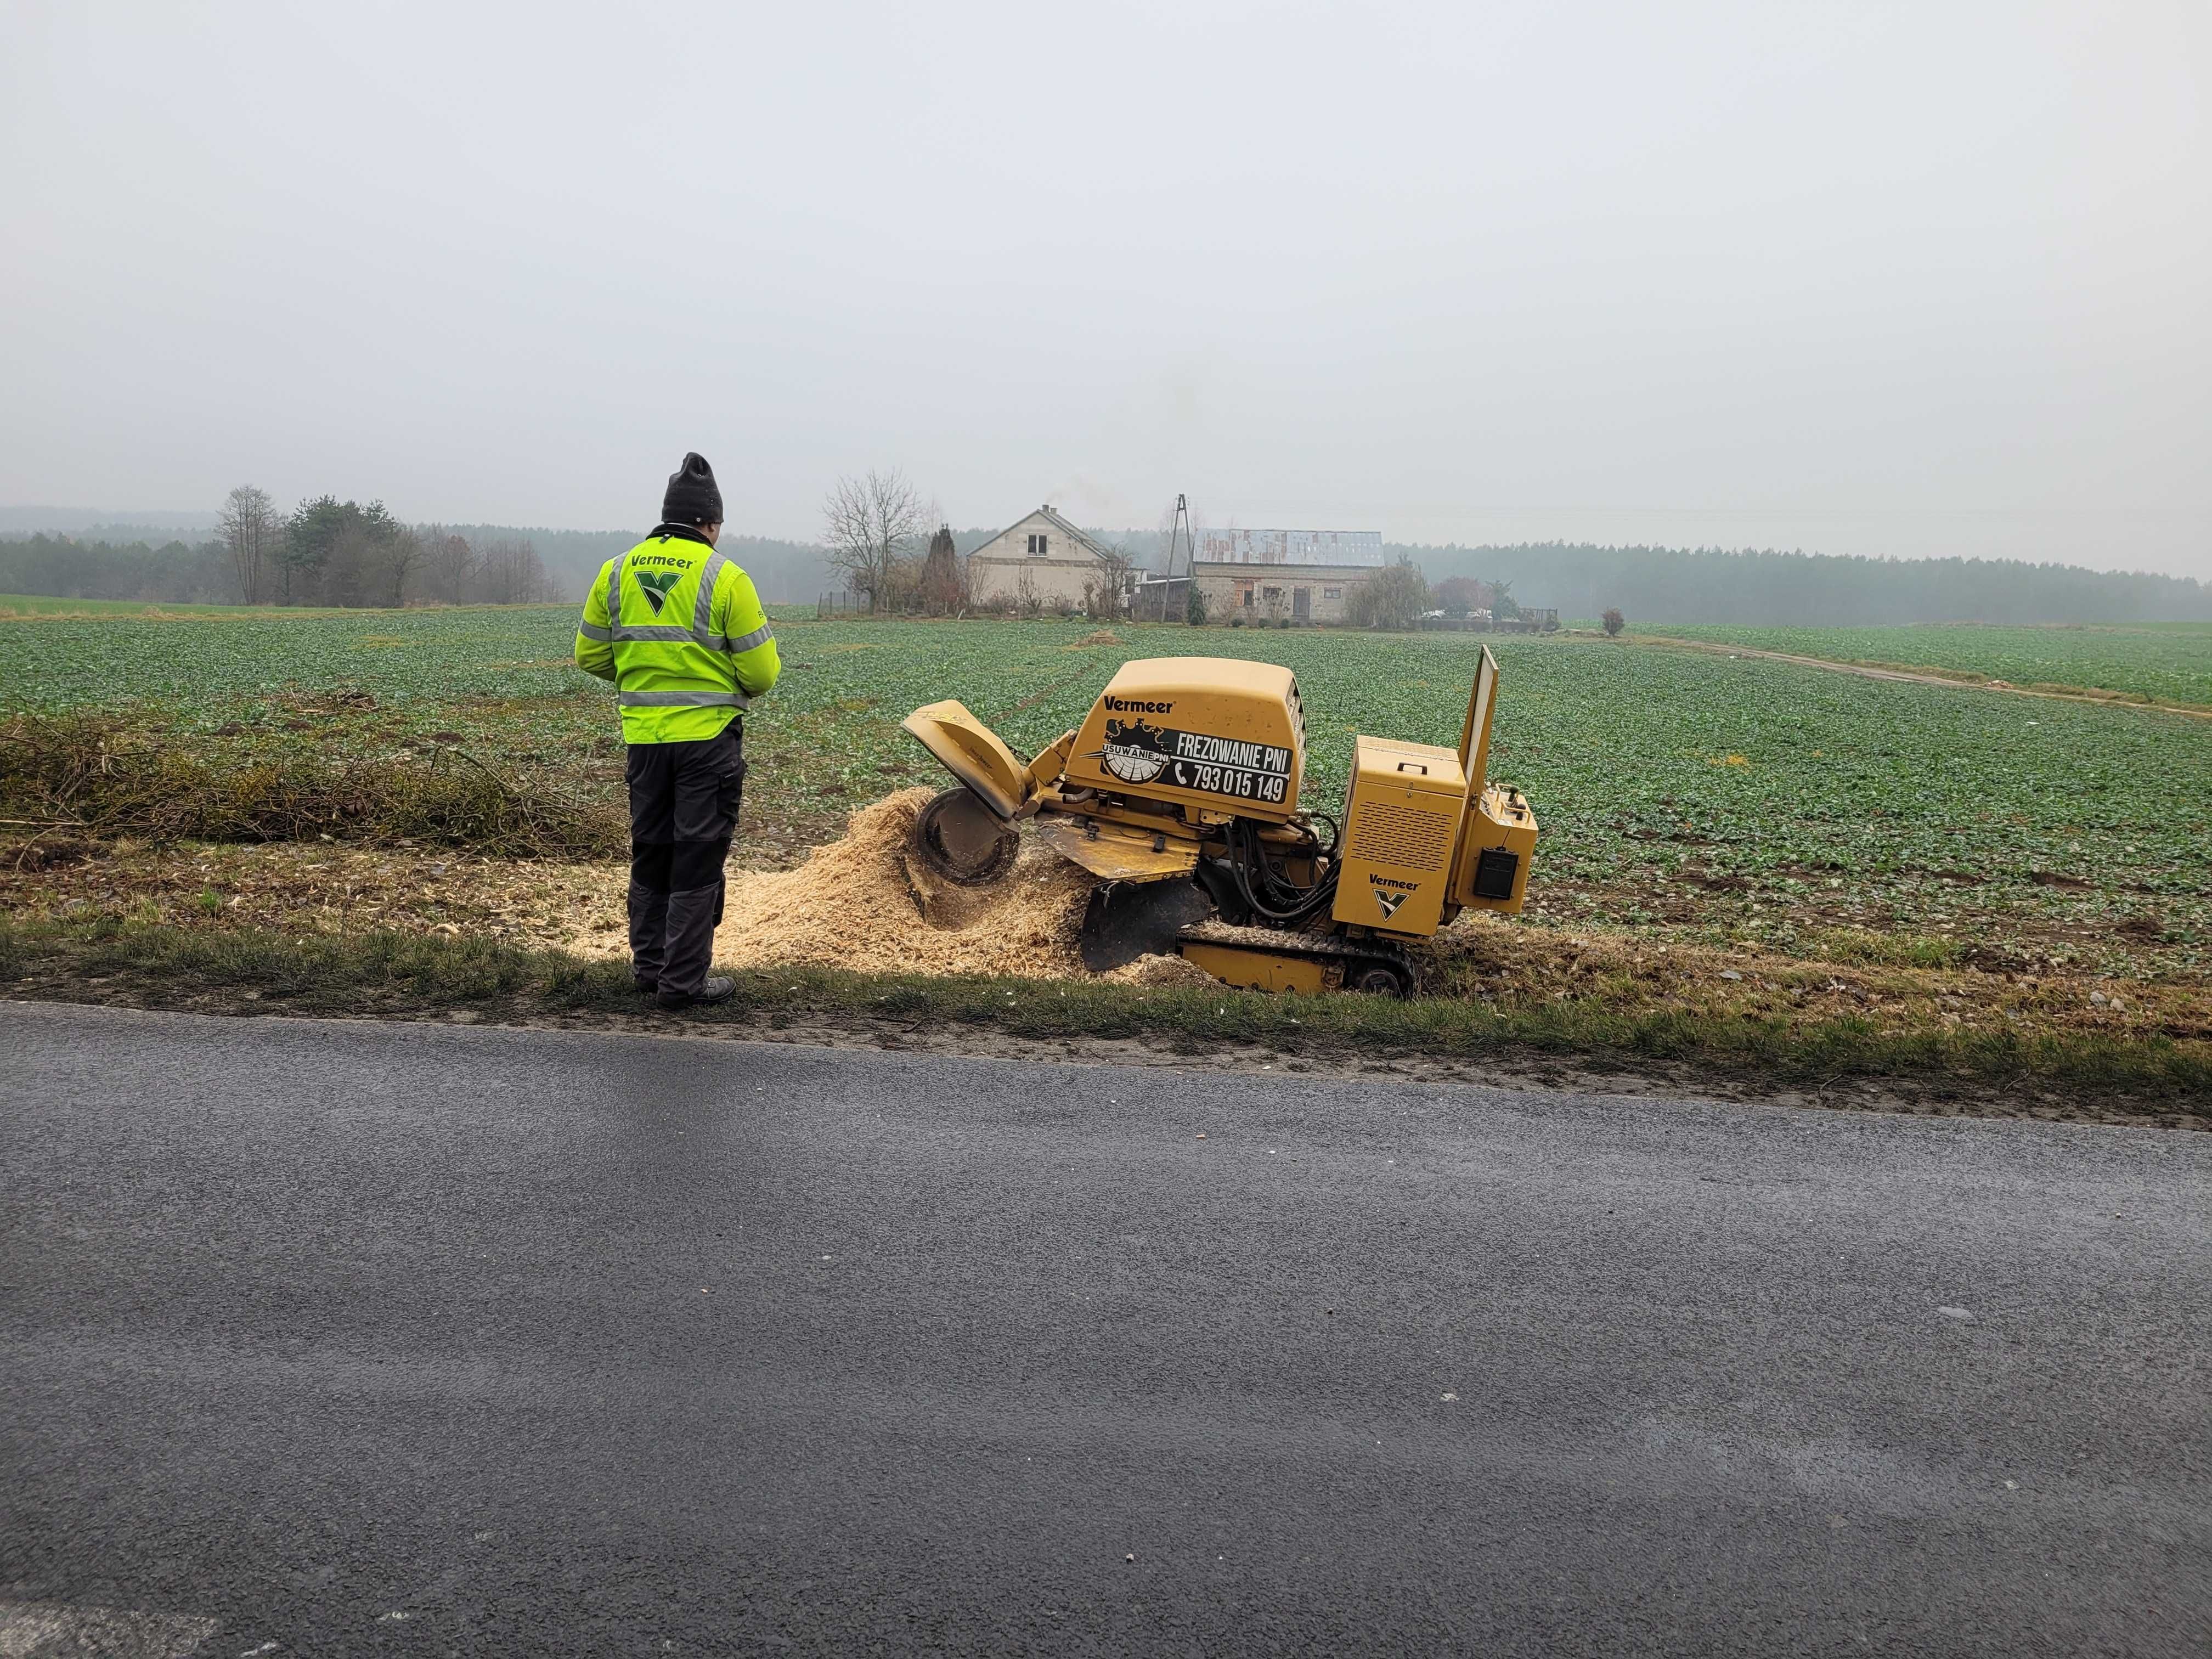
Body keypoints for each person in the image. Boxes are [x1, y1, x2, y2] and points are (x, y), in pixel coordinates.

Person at [574, 453, 780, 1009]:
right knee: (696, 858)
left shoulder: (616, 572)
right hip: (707, 743)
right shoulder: (726, 577)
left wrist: (643, 674)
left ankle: (650, 968)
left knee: (652, 853)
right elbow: (763, 672)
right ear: (710, 524)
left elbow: (588, 653)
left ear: (667, 516)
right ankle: (683, 983)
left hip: (644, 741)